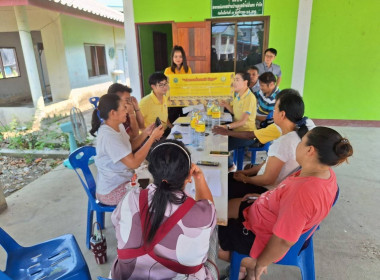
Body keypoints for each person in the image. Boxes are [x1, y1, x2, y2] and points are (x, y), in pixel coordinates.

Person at [218, 126, 353, 280]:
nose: (298, 145)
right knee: (223, 208)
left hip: (259, 234)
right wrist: (267, 197)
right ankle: (245, 267)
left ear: (310, 151)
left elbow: (284, 240)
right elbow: (286, 192)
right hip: (264, 214)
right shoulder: (323, 173)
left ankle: (248, 266)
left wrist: (261, 263)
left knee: (210, 239)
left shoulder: (303, 193)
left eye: (301, 142)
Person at [111, 140, 217, 279]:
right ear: (188, 175)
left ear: (151, 171)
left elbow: (116, 226)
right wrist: (199, 178)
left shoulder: (130, 198)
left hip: (128, 276)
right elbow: (209, 207)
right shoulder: (203, 214)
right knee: (213, 233)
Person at [227, 89, 312, 199]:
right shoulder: (298, 134)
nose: (272, 113)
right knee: (231, 177)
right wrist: (246, 172)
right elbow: (267, 164)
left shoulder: (284, 143)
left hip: (267, 190)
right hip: (271, 185)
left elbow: (267, 179)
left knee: (227, 184)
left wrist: (246, 179)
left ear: (282, 114)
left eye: (275, 109)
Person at [90, 94, 164, 206]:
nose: (127, 110)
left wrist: (146, 133)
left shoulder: (117, 125)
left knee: (158, 180)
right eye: (124, 107)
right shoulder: (108, 136)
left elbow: (129, 147)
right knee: (154, 195)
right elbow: (133, 163)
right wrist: (152, 138)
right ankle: (140, 222)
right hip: (111, 191)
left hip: (124, 180)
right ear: (113, 113)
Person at [219, 72, 257, 171]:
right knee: (217, 139)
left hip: (247, 134)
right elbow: (235, 112)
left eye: (237, 80)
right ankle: (229, 164)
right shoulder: (238, 95)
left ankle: (230, 166)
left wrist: (227, 127)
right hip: (237, 131)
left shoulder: (249, 98)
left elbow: (243, 121)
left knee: (221, 146)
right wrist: (227, 105)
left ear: (245, 82)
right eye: (234, 80)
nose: (234, 82)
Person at [164, 45, 192, 124]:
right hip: (172, 100)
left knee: (186, 121)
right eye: (175, 56)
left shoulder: (188, 69)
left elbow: (189, 85)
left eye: (180, 56)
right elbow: (166, 86)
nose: (178, 59)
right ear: (172, 58)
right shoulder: (168, 70)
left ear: (183, 58)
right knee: (174, 122)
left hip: (185, 99)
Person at [139, 72, 172, 137]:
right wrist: (148, 135)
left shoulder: (164, 97)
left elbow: (164, 115)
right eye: (161, 85)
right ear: (153, 87)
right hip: (150, 137)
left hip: (163, 132)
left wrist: (170, 125)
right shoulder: (145, 102)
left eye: (165, 84)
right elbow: (137, 123)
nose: (165, 87)